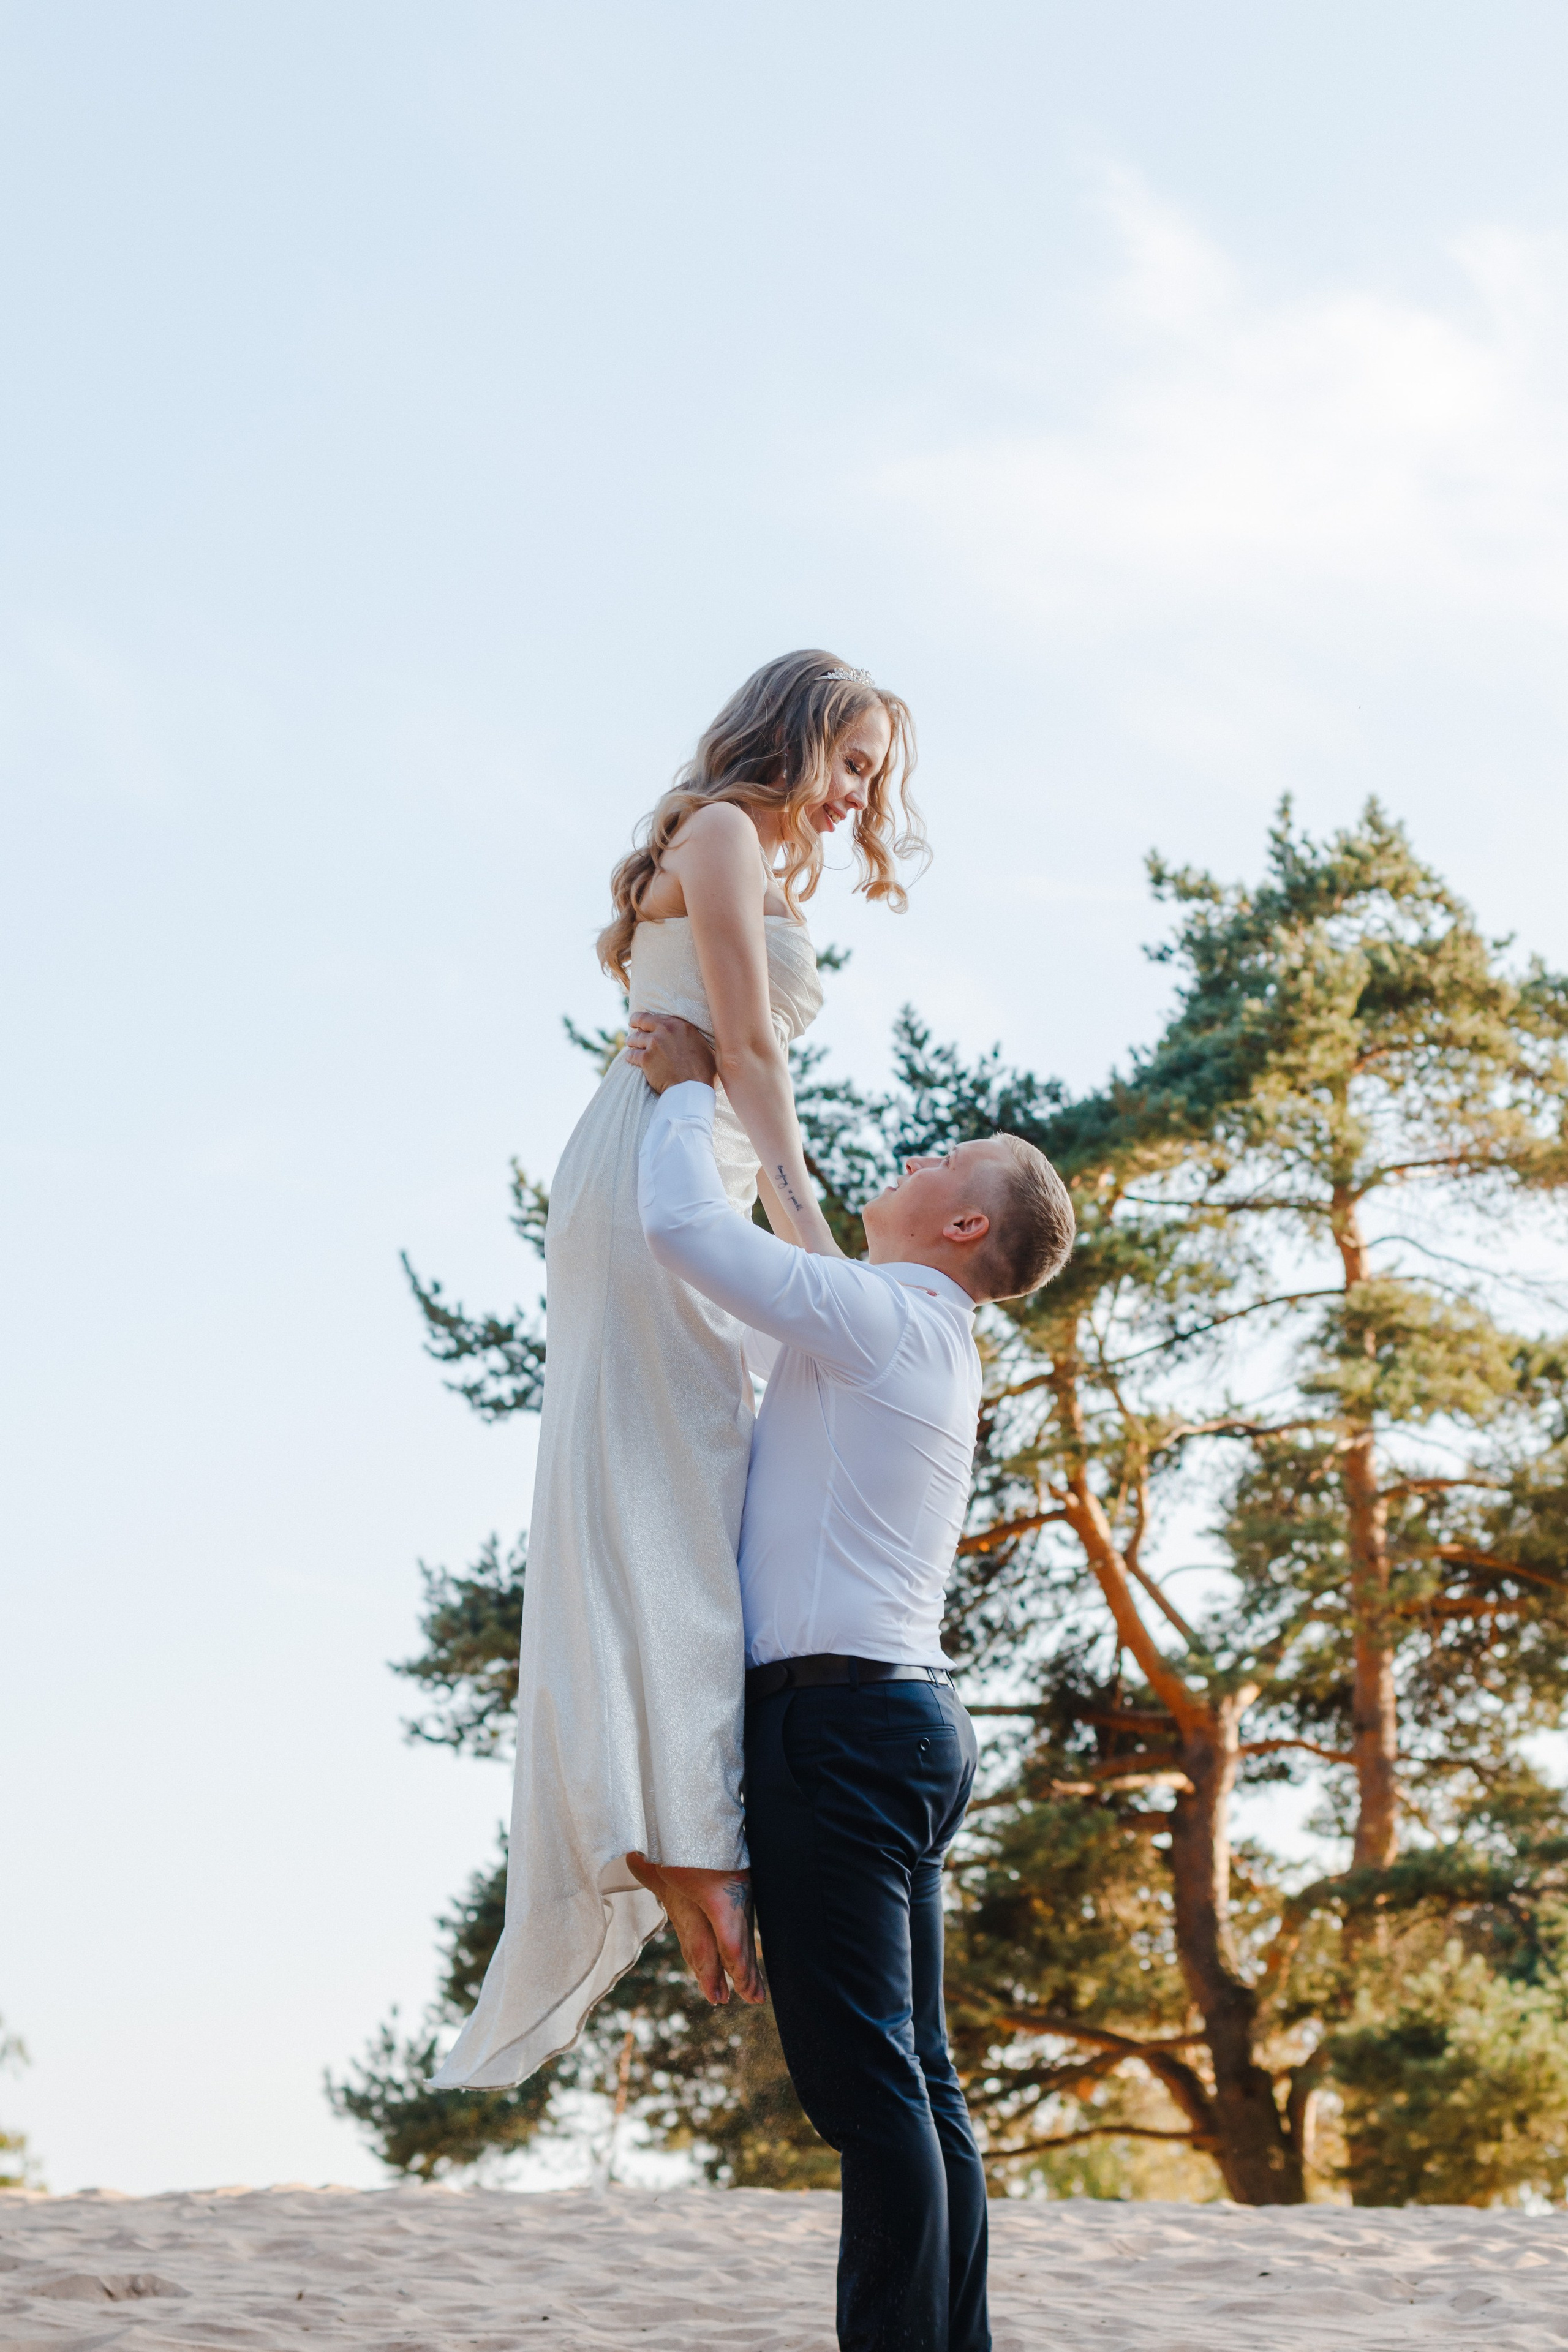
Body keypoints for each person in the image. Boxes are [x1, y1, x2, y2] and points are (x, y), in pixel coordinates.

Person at [433, 652, 922, 2090]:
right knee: (666, 1489)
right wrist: (818, 1243)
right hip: (658, 1177)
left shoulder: (732, 850)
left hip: (681, 1165)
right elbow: (750, 1049)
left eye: (876, 778)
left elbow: (729, 1057)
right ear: (796, 736)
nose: (858, 799)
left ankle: (676, 1839)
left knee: (691, 1488)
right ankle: (675, 1843)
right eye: (852, 763)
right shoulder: (717, 830)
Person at [629, 1011, 1076, 2352]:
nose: (926, 1153)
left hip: (836, 1727)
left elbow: (687, 1242)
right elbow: (780, 1286)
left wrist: (678, 1100)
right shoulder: (903, 1336)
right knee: (917, 2078)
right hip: (893, 1723)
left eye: (954, 1155)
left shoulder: (886, 1326)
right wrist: (774, 1157)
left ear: (960, 1231)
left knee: (867, 2090)